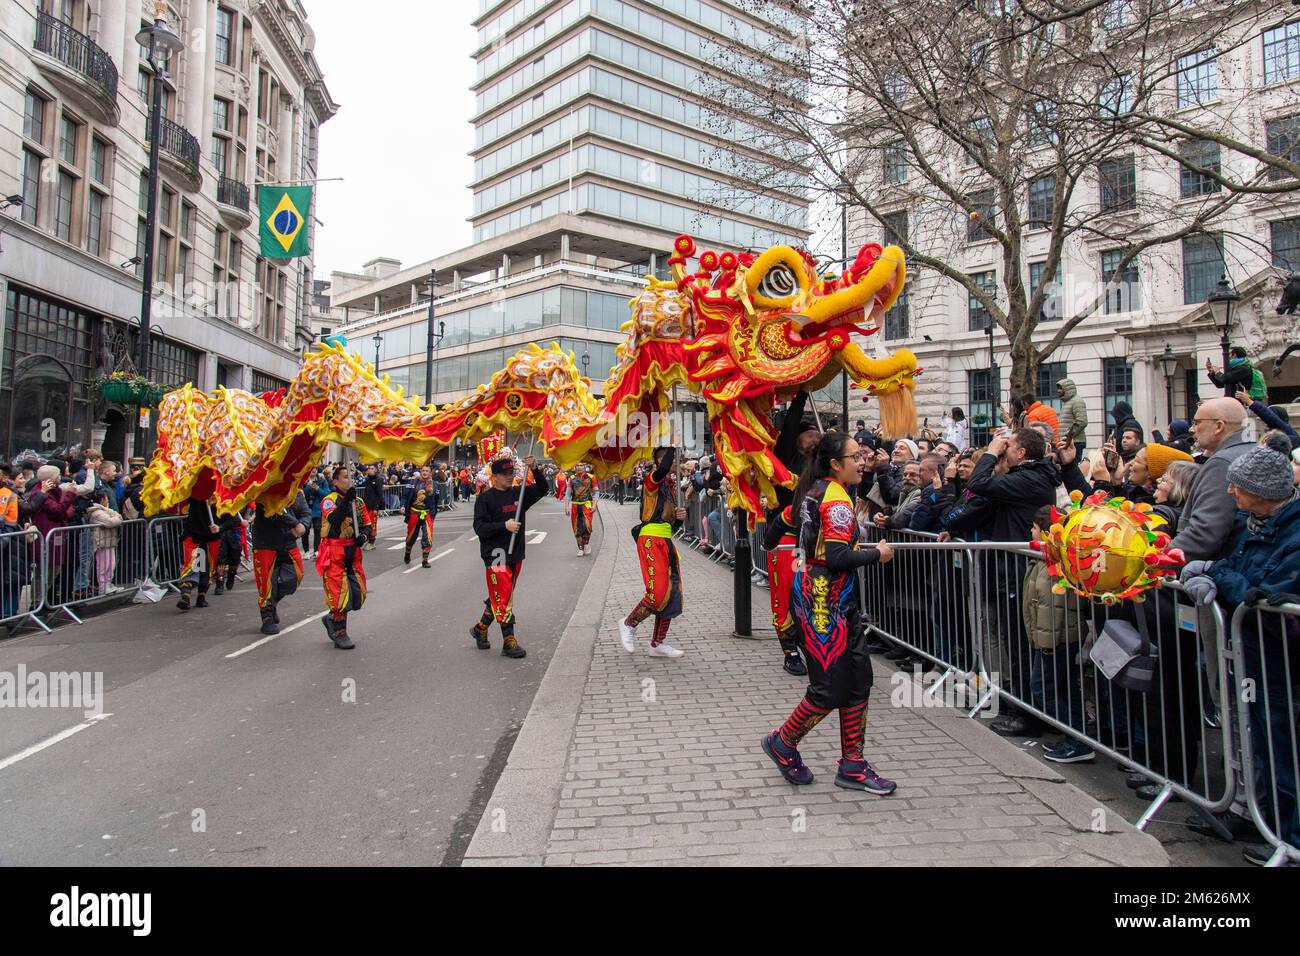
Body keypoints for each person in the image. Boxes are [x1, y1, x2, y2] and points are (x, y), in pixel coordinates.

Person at [1179, 436, 1300, 862]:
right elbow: (1236, 565)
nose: (1230, 492)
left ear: (1262, 492)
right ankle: (1276, 828)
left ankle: (1291, 839)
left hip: (1281, 660)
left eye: (1238, 486)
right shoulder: (1259, 525)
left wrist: (1215, 576)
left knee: (1284, 750)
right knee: (1266, 744)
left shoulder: (1292, 534)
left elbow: (1258, 592)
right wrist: (1214, 572)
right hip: (1258, 657)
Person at [760, 432, 898, 794]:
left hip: (837, 602)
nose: (863, 460)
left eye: (862, 454)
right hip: (822, 603)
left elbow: (776, 528)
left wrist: (773, 546)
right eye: (855, 456)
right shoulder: (833, 499)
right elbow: (837, 558)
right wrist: (877, 554)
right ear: (836, 464)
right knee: (829, 688)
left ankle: (853, 764)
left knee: (859, 680)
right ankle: (782, 742)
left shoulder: (816, 490)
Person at [965, 427, 1060, 738]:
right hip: (1013, 570)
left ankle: (1027, 714)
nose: (1004, 449)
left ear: (1021, 453)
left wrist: (991, 451)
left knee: (1019, 644)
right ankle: (1019, 705)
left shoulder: (1030, 478)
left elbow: (978, 484)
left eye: (1010, 445)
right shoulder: (1032, 475)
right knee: (1012, 642)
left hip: (1020, 573)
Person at [471, 454, 549, 659]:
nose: (509, 477)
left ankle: (480, 628)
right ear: (494, 476)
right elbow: (479, 527)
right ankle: (509, 640)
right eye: (504, 474)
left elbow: (543, 489)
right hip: (495, 554)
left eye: (511, 473)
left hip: (516, 553)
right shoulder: (484, 499)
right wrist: (503, 526)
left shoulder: (520, 493)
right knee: (504, 596)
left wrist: (536, 469)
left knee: (502, 595)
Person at [617, 446, 688, 658]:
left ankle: (658, 643)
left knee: (672, 594)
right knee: (657, 593)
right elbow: (664, 467)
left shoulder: (670, 488)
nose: (673, 462)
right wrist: (673, 445)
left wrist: (679, 519)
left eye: (675, 459)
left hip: (665, 541)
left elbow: (671, 527)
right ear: (658, 462)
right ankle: (629, 623)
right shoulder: (652, 480)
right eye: (669, 459)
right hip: (651, 541)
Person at [769, 391, 818, 676]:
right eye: (809, 434)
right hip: (787, 542)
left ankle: (810, 646)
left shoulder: (822, 465)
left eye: (817, 434)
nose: (815, 438)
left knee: (807, 596)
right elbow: (790, 425)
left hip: (811, 543)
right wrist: (801, 393)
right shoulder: (786, 457)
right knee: (786, 596)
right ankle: (790, 651)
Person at [1170, 397, 1252, 561]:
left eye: (1197, 422)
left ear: (1219, 426)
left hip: (1214, 570)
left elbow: (1205, 534)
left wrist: (1156, 561)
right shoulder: (1251, 451)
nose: (1192, 429)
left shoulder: (1222, 463)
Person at [317, 466, 372, 650]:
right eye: (345, 477)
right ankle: (340, 632)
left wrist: (363, 537)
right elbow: (334, 519)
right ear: (335, 481)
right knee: (340, 595)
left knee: (358, 593)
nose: (349, 480)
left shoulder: (358, 502)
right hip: (334, 551)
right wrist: (346, 501)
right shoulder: (328, 500)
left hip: (353, 553)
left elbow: (367, 525)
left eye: (351, 477)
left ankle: (331, 618)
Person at [251, 490, 310, 635]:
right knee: (266, 582)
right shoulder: (263, 492)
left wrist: (303, 525)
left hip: (288, 542)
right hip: (266, 542)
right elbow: (274, 510)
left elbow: (305, 513)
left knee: (294, 577)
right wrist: (295, 523)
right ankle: (267, 616)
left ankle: (272, 603)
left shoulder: (297, 492)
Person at [176, 496, 221, 612]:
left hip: (209, 537)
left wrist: (221, 527)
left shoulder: (218, 494)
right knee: (193, 565)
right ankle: (187, 596)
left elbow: (232, 519)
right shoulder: (195, 493)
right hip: (195, 536)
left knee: (204, 568)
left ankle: (199, 596)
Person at [85, 488, 123, 595]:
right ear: (102, 499)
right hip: (102, 543)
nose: (108, 500)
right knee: (103, 565)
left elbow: (118, 516)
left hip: (109, 541)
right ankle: (103, 586)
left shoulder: (105, 510)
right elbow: (111, 522)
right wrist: (116, 517)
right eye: (106, 498)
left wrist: (115, 516)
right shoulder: (96, 512)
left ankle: (109, 583)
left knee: (111, 563)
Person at [402, 465, 438, 567]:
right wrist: (402, 506)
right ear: (420, 472)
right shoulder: (413, 483)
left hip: (427, 513)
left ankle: (425, 560)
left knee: (428, 536)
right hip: (414, 513)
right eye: (423, 471)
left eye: (427, 471)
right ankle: (407, 553)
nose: (425, 472)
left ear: (430, 473)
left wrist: (433, 513)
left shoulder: (435, 485)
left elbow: (436, 500)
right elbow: (405, 496)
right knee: (411, 536)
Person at [564, 464, 596, 556]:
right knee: (577, 528)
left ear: (585, 466)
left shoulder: (591, 477)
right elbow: (568, 493)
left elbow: (596, 492)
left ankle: (586, 544)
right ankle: (580, 548)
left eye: (581, 465)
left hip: (587, 505)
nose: (579, 467)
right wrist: (567, 506)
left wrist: (594, 504)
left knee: (587, 527)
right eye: (577, 465)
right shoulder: (571, 478)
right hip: (575, 505)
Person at [1056, 379, 1088, 458]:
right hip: (1070, 442)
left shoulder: (1077, 401)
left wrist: (1068, 436)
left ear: (1067, 388)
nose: (1058, 391)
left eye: (1061, 388)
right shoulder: (1068, 402)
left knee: (1073, 467)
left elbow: (1082, 421)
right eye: (1058, 388)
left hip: (1074, 442)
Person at [361, 464, 385, 550]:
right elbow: (360, 485)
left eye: (372, 468)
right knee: (366, 524)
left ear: (375, 470)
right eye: (369, 468)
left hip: (373, 507)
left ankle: (371, 542)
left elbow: (380, 495)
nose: (370, 470)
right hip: (366, 506)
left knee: (372, 524)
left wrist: (376, 507)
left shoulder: (378, 480)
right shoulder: (368, 480)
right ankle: (367, 539)